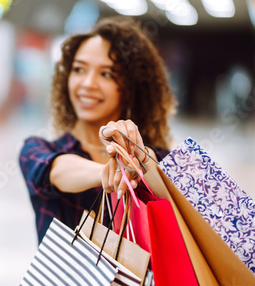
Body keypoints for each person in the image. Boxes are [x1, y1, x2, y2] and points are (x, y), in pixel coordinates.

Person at [19, 17, 177, 244]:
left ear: (131, 88)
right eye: (79, 69)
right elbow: (54, 171)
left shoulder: (158, 157)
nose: (87, 83)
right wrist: (112, 171)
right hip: (66, 280)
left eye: (106, 74)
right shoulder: (36, 150)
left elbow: (158, 166)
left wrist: (138, 159)